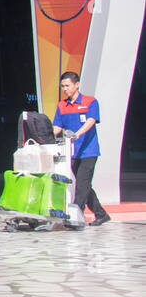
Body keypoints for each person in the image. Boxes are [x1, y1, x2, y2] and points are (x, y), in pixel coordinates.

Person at [53, 71, 111, 227]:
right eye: (63, 86)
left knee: (81, 185)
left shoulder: (90, 101)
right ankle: (101, 214)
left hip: (89, 151)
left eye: (67, 85)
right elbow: (57, 126)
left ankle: (76, 216)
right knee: (84, 185)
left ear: (76, 84)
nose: (65, 89)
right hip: (72, 152)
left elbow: (91, 120)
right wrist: (44, 137)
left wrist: (78, 133)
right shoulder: (62, 105)